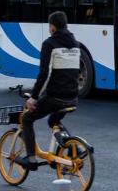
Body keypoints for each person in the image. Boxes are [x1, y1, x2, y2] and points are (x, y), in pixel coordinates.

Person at [17, 11, 81, 171]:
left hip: (56, 97)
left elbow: (45, 74)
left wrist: (33, 97)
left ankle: (31, 158)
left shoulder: (49, 44)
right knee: (53, 121)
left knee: (26, 119)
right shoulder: (76, 45)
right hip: (73, 97)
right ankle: (75, 149)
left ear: (52, 27)